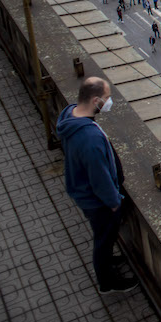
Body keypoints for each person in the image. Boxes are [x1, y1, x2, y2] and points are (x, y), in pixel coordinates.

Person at [56, 77, 137, 294]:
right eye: (107, 98)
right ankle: (107, 282)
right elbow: (99, 178)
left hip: (84, 193)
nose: (109, 102)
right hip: (99, 202)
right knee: (103, 239)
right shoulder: (89, 138)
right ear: (95, 101)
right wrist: (114, 203)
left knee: (104, 237)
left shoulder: (70, 114)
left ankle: (107, 259)